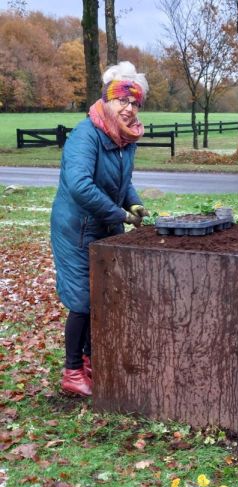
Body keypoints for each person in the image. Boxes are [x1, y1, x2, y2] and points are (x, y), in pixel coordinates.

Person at [51, 61, 149, 397]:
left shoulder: (125, 138)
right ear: (107, 100)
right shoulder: (86, 135)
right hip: (77, 228)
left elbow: (123, 182)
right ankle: (73, 372)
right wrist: (120, 214)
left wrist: (132, 203)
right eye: (123, 100)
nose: (129, 108)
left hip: (105, 224)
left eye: (135, 102)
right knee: (83, 300)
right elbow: (79, 185)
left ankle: (92, 360)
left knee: (104, 295)